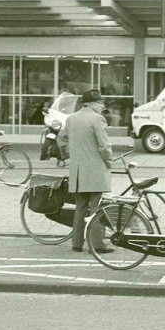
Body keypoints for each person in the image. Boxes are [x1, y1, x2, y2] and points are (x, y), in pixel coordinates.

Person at [56, 88, 115, 253]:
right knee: (96, 207)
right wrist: (109, 160)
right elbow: (104, 145)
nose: (102, 106)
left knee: (80, 207)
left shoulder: (71, 119)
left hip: (77, 172)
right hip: (95, 171)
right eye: (100, 103)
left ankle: (77, 244)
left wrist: (68, 155)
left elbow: (61, 140)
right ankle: (96, 245)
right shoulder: (97, 119)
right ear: (92, 104)